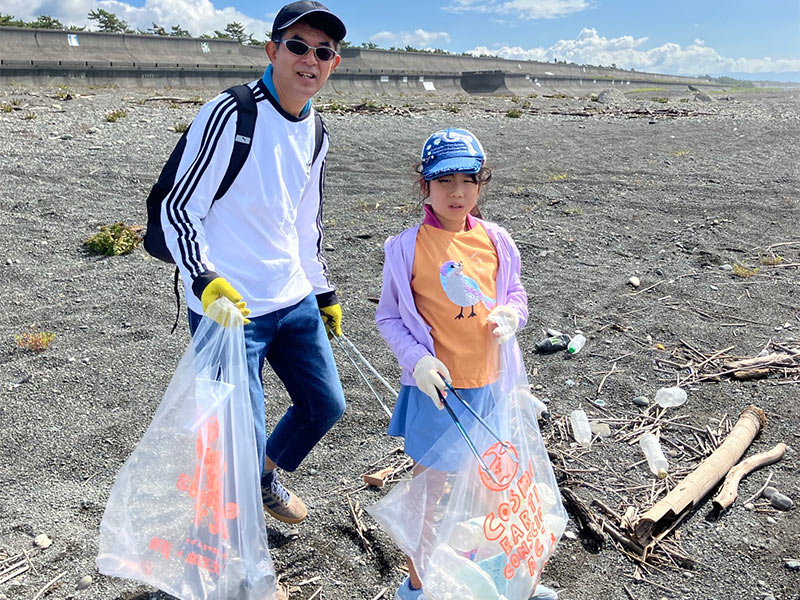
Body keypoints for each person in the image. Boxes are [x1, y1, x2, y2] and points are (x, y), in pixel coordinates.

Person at [161, 0, 347, 526]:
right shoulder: (231, 112)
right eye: (298, 46)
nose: (310, 59)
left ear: (333, 64)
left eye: (323, 52)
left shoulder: (316, 131)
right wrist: (203, 277)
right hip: (229, 307)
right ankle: (234, 551)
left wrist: (322, 290)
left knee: (324, 405)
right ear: (272, 50)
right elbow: (180, 207)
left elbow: (304, 222)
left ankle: (262, 480)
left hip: (293, 299)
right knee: (236, 433)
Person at [375, 128, 558, 600]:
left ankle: (503, 579)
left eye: (468, 180)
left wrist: (512, 315)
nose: (457, 192)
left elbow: (514, 292)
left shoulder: (496, 240)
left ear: (481, 184)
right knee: (428, 493)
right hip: (438, 394)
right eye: (444, 180)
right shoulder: (406, 248)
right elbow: (389, 317)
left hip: (492, 386)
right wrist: (418, 361)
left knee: (498, 486)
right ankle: (417, 586)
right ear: (425, 186)